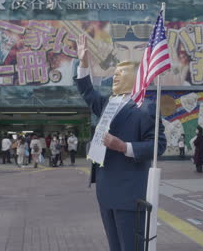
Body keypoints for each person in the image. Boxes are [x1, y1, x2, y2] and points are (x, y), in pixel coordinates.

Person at [75, 34, 166, 251]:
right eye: (114, 73)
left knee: (130, 246)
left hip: (128, 192)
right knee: (114, 245)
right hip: (105, 190)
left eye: (121, 73)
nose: (115, 77)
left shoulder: (146, 108)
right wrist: (83, 63)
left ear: (136, 77)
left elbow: (158, 146)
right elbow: (87, 91)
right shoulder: (108, 103)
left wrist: (123, 147)